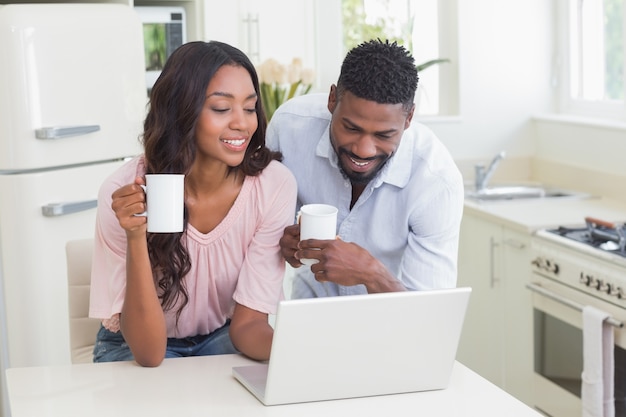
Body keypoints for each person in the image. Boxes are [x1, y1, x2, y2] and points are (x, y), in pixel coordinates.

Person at [89, 41, 297, 367]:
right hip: (137, 344)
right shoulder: (123, 191)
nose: (242, 123)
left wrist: (306, 351)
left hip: (224, 337)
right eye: (221, 108)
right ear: (180, 111)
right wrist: (134, 236)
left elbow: (247, 326)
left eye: (249, 107)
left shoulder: (273, 185)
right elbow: (149, 354)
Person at [266, 39, 464, 298]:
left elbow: (430, 312)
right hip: (308, 311)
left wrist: (371, 274)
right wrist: (279, 239)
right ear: (332, 99)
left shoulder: (436, 182)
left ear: (409, 118)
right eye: (351, 128)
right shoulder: (289, 128)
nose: (363, 149)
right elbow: (256, 225)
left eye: (384, 135)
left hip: (392, 326)